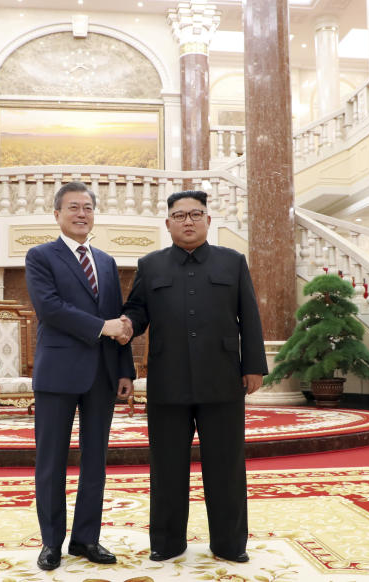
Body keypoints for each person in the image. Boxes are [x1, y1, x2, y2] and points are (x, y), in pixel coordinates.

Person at [121, 190, 266, 563]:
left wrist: (253, 366)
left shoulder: (232, 262)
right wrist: (124, 325)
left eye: (196, 214)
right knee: (167, 467)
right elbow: (137, 313)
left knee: (227, 467)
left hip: (223, 381)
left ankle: (230, 544)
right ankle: (167, 543)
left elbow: (249, 316)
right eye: (180, 215)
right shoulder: (150, 265)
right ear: (168, 223)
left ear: (208, 221)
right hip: (167, 382)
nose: (188, 221)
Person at [24, 181, 135, 571]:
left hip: (103, 376)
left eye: (88, 207)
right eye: (73, 207)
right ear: (57, 214)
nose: (81, 214)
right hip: (57, 373)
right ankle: (51, 543)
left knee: (95, 462)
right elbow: (50, 309)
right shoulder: (40, 256)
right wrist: (102, 328)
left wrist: (125, 370)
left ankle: (86, 539)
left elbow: (117, 314)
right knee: (50, 461)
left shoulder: (105, 261)